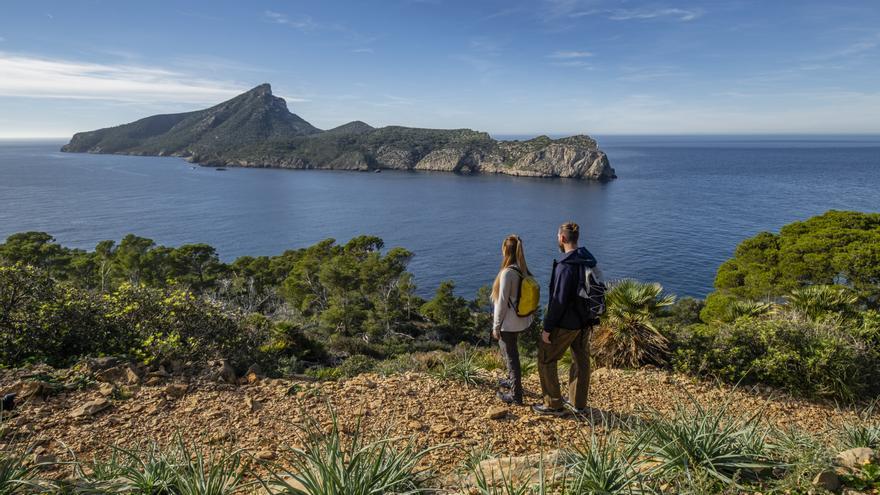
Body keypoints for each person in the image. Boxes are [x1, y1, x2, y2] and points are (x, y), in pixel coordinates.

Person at [533, 222, 598, 416]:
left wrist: (547, 328)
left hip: (566, 323)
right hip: (585, 321)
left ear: (562, 238)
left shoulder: (565, 266)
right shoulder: (587, 260)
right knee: (581, 361)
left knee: (546, 358)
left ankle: (553, 404)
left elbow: (558, 301)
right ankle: (578, 404)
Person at [491, 235, 535, 405]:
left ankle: (516, 396)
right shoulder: (522, 269)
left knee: (511, 357)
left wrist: (496, 326)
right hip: (521, 321)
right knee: (511, 354)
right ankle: (512, 382)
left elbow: (501, 303)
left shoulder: (507, 273)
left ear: (505, 250)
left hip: (508, 324)